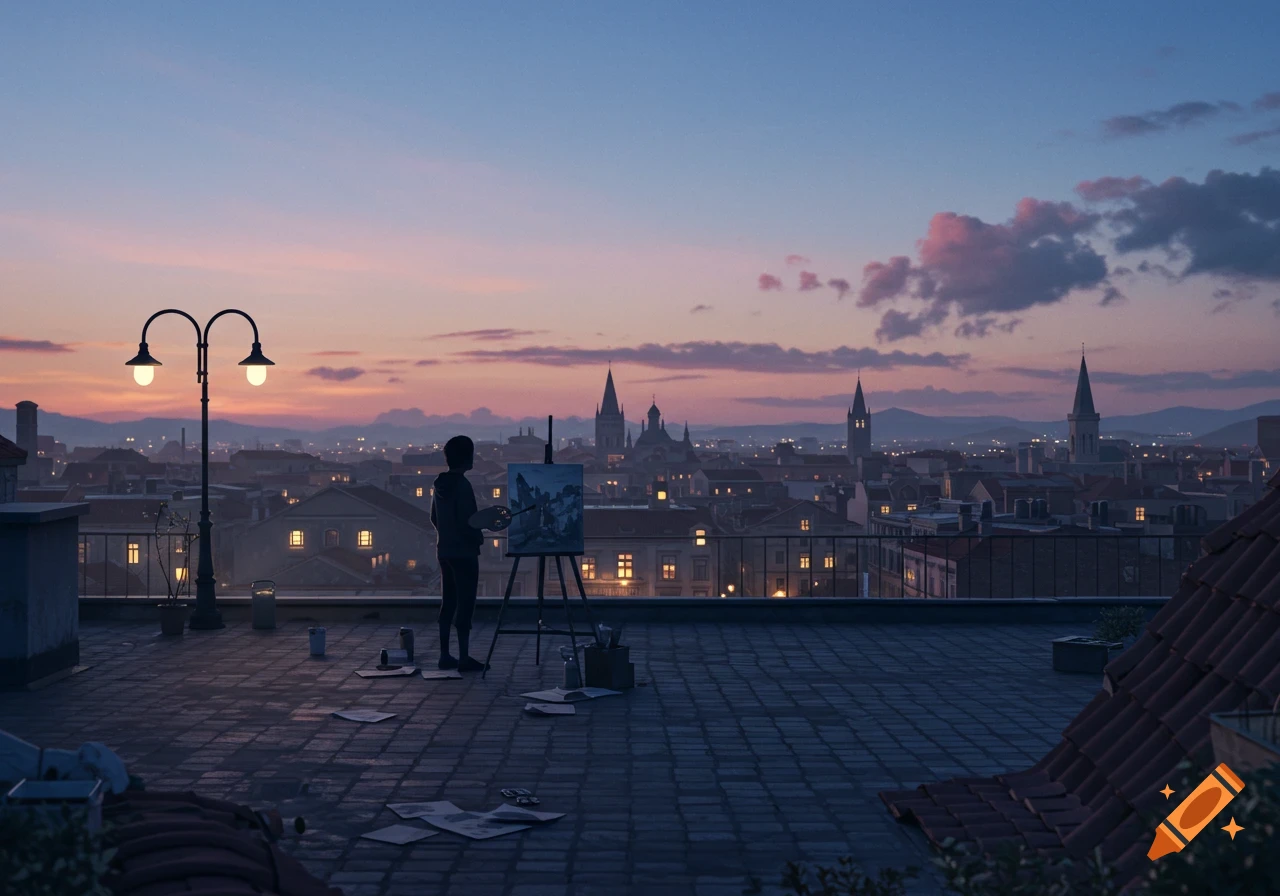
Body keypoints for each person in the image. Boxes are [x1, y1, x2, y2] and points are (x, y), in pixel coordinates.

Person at [430, 435, 487, 671]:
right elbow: (469, 521)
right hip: (464, 553)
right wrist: (478, 537)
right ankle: (464, 657)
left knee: (448, 602)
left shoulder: (439, 485)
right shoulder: (463, 486)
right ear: (467, 457)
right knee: (465, 604)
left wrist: (447, 534)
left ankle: (445, 655)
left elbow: (434, 517)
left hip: (444, 550)